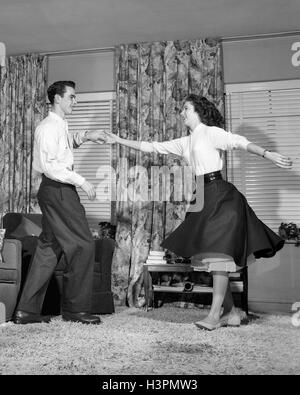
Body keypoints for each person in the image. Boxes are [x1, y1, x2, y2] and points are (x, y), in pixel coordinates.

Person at [103, 94, 293, 330]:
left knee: (220, 256)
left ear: (198, 111)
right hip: (201, 195)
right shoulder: (186, 141)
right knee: (212, 255)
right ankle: (232, 312)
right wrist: (118, 139)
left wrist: (268, 154)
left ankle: (214, 316)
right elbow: (152, 147)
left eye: (186, 108)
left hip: (221, 195)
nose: (181, 112)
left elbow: (239, 141)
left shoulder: (210, 132)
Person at [14, 80, 107, 325]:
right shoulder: (47, 127)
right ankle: (75, 310)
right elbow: (51, 166)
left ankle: (27, 311)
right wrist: (82, 181)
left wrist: (87, 135)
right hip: (58, 189)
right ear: (57, 98)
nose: (75, 101)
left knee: (48, 248)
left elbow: (65, 146)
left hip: (56, 190)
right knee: (83, 245)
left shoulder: (59, 126)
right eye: (72, 97)